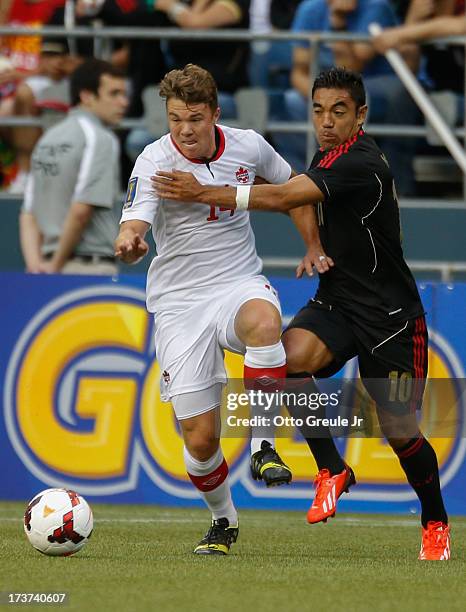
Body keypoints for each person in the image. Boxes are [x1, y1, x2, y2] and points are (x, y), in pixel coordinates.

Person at [152, 66, 451, 561]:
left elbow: (286, 195)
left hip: (391, 316)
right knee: (283, 361)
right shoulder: (327, 155)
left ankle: (435, 521)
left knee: (398, 428)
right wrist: (313, 245)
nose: (326, 121)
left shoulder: (362, 161)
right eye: (318, 110)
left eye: (339, 111)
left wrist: (203, 192)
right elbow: (299, 193)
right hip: (338, 301)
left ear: (362, 115)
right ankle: (331, 466)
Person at [115, 63, 330, 556]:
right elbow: (134, 223)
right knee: (200, 439)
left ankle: (263, 446)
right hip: (179, 302)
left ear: (214, 112)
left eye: (194, 118)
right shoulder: (153, 160)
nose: (185, 130)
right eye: (174, 119)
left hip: (237, 282)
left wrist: (313, 244)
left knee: (265, 322)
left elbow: (295, 190)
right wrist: (129, 241)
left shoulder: (248, 145)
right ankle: (223, 520)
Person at [279, 0, 420, 194]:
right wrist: (320, 101)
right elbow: (298, 72)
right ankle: (306, 186)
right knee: (290, 102)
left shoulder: (376, 7)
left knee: (347, 107)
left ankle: (372, 186)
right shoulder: (309, 9)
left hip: (370, 84)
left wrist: (338, 23)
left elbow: (351, 71)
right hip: (324, 87)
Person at [20, 58, 128, 275]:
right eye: (114, 94)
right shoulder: (101, 138)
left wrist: (36, 267)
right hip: (89, 267)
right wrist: (56, 265)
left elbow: (28, 214)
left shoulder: (47, 138)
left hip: (45, 266)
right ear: (87, 96)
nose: (124, 102)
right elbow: (81, 210)